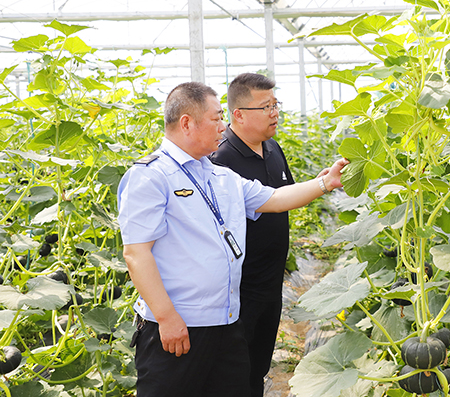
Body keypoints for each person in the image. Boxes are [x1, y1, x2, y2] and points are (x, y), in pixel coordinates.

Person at [118, 82, 347, 397]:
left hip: (227, 324)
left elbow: (275, 198)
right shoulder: (150, 177)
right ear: (187, 123)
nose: (223, 127)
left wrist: (325, 182)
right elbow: (136, 254)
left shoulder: (219, 176)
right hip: (177, 329)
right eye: (216, 118)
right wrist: (167, 318)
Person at [209, 73, 295, 397]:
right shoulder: (222, 160)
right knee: (235, 372)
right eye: (266, 107)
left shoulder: (273, 148)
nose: (275, 112)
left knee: (258, 367)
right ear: (239, 115)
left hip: (271, 284)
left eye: (276, 104)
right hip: (239, 290)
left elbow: (284, 196)